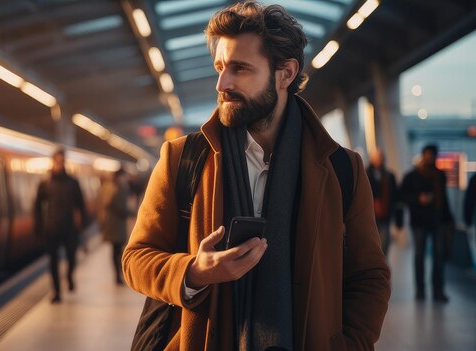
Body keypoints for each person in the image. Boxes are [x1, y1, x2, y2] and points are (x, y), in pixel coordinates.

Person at [122, 2, 390, 350]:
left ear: (285, 74)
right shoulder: (183, 158)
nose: (222, 83)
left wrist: (348, 344)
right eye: (219, 67)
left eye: (240, 69)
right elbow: (135, 258)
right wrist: (193, 271)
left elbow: (369, 276)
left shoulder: (340, 169)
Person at [401, 144, 453, 302]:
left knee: (438, 257)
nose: (429, 157)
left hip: (437, 221)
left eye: (432, 154)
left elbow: (443, 200)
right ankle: (420, 290)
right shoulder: (412, 176)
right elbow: (402, 196)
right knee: (419, 256)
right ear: (423, 155)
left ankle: (438, 291)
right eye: (427, 154)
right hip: (419, 221)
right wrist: (419, 199)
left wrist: (449, 219)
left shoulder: (440, 175)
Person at [34, 148, 87, 303]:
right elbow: (37, 205)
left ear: (64, 162)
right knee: (53, 261)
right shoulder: (45, 183)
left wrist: (82, 224)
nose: (59, 163)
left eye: (61, 161)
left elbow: (81, 205)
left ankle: (70, 275)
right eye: (57, 161)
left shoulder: (73, 182)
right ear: (53, 162)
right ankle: (56, 291)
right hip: (52, 228)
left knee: (72, 257)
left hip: (70, 228)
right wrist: (38, 226)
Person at [98, 168, 133, 285]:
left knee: (115, 250)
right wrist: (132, 213)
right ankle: (119, 274)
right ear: (119, 176)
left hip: (110, 223)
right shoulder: (119, 189)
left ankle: (117, 274)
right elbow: (120, 208)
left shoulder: (107, 187)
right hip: (117, 224)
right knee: (119, 250)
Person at [366, 149, 400, 255]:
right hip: (370, 215)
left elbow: (395, 197)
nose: (379, 160)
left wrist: (398, 218)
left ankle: (381, 266)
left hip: (385, 214)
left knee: (385, 243)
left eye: (380, 158)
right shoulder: (365, 174)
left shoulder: (389, 176)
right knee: (372, 243)